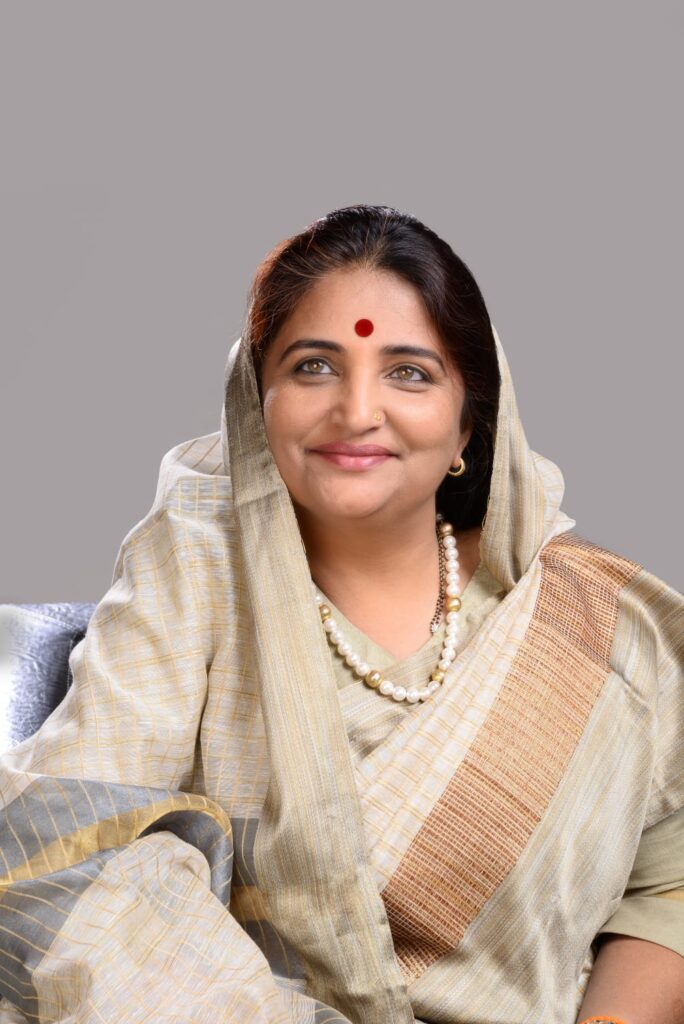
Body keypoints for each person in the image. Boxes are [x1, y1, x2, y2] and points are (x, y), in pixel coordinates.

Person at [0, 204, 681, 1024]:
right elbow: (75, 849)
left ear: (469, 421)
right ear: (257, 399)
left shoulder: (595, 624)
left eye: (409, 373)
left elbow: (668, 875)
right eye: (315, 367)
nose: (357, 412)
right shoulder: (194, 569)